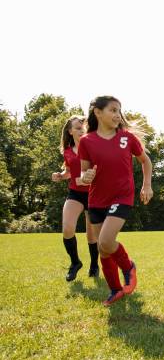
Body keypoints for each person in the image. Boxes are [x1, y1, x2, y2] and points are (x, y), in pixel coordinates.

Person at [79, 96, 153, 306]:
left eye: (119, 111)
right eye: (112, 110)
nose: (117, 115)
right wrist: (86, 177)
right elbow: (83, 173)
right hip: (96, 200)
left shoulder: (127, 138)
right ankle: (115, 290)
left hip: (122, 196)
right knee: (104, 249)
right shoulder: (86, 141)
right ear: (98, 113)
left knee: (104, 242)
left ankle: (128, 267)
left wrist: (146, 185)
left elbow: (145, 161)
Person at [51, 115, 99, 281]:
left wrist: (90, 177)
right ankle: (75, 263)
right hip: (75, 194)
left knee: (91, 236)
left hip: (94, 194)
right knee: (67, 228)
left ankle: (94, 264)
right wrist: (60, 175)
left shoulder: (93, 147)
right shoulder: (67, 151)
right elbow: (69, 172)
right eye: (78, 128)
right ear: (70, 131)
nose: (81, 130)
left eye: (83, 127)